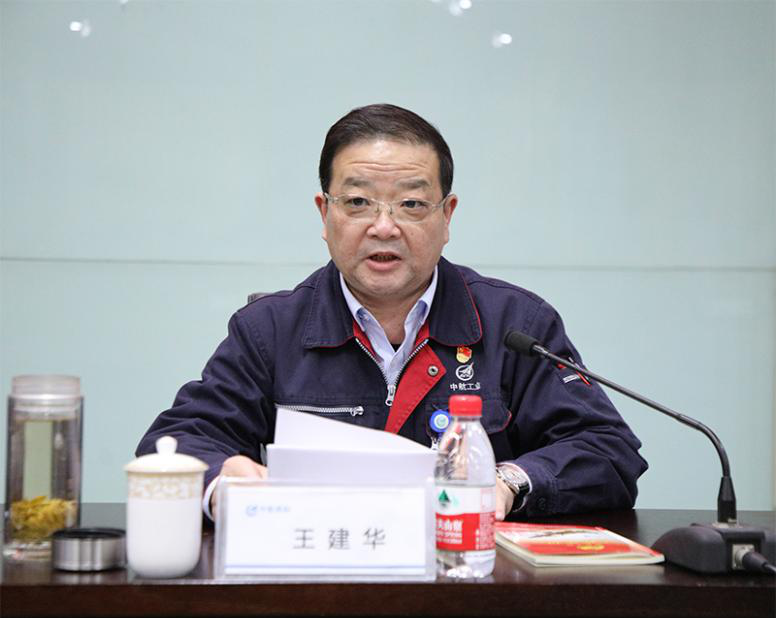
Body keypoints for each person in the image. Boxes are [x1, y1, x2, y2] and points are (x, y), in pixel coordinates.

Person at [137, 104, 647, 521]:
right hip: (318, 585)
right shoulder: (269, 330)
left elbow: (607, 450)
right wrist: (222, 483)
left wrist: (508, 482)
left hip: (468, 585)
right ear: (325, 214)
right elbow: (176, 442)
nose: (384, 227)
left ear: (447, 216)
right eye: (358, 202)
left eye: (411, 205)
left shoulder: (514, 323)